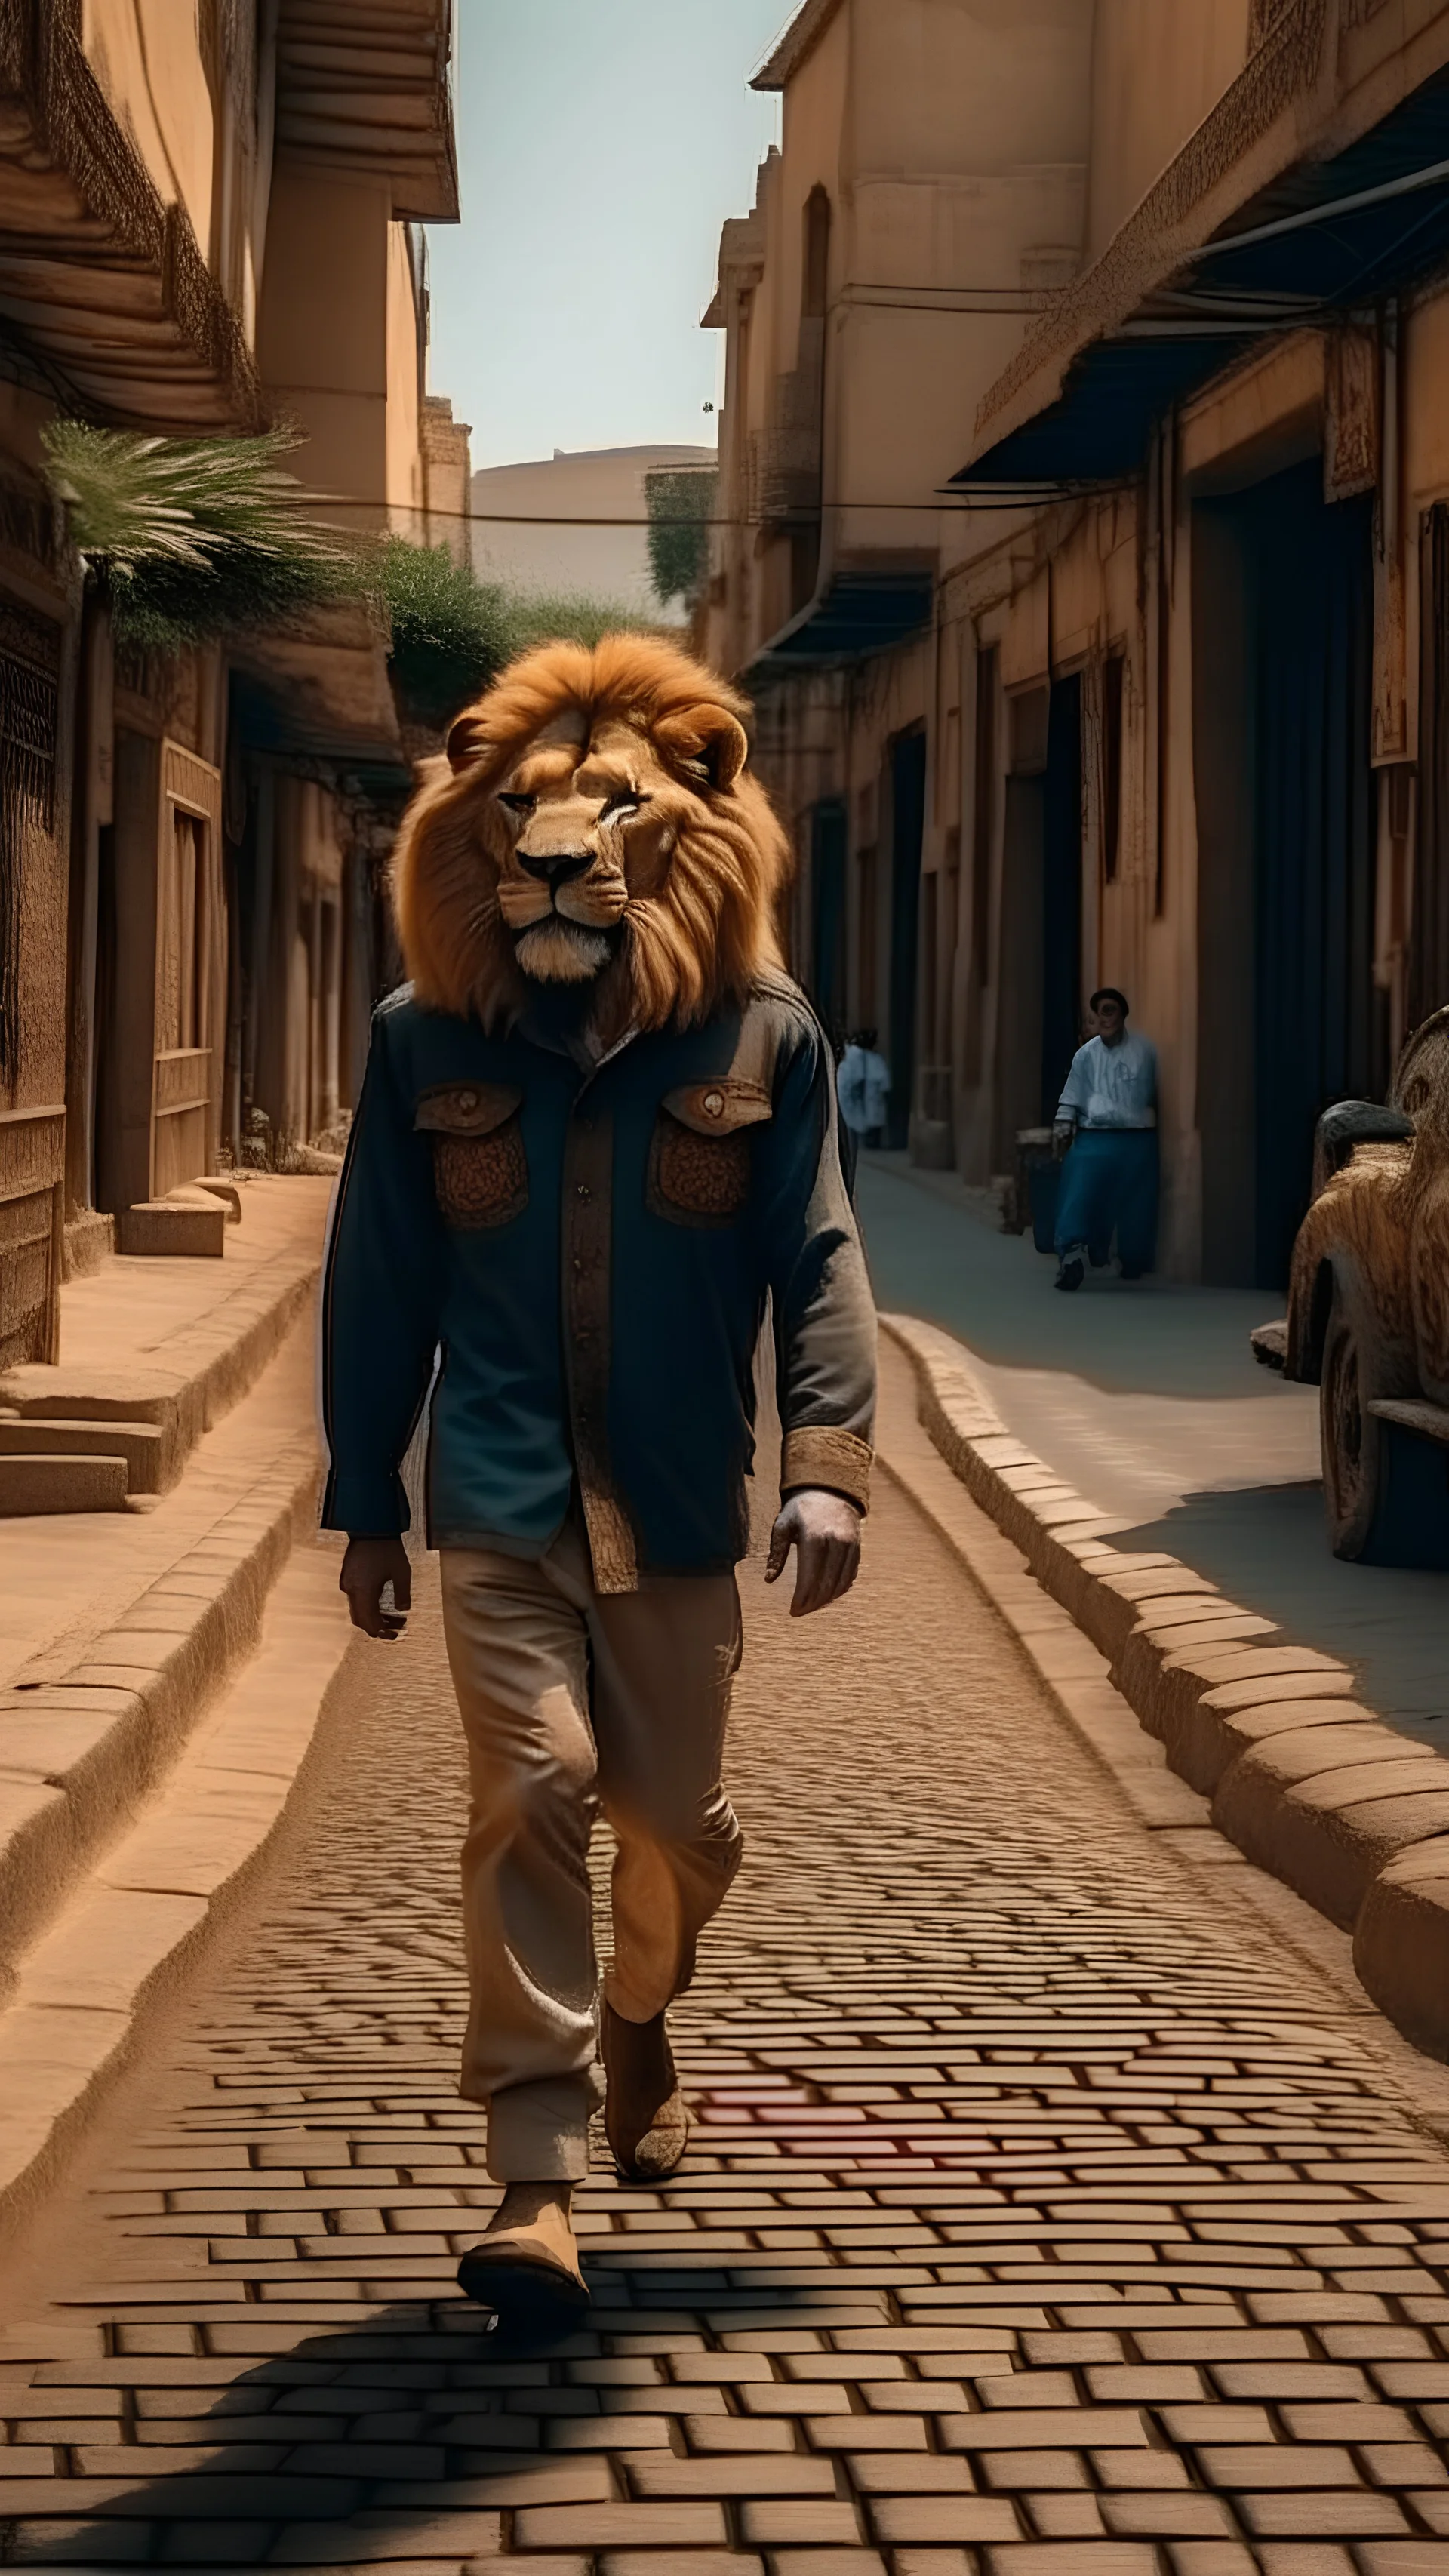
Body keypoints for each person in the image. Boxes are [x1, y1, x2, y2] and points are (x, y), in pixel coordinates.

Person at [323, 635, 877, 2347]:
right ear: (474, 829)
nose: (560, 841)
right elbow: (377, 1275)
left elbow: (820, 1253)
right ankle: (534, 2180)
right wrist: (362, 1494)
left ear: (696, 813)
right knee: (535, 1788)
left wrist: (829, 1466)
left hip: (677, 1506)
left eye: (609, 807)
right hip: (494, 1495)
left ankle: (645, 2002)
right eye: (527, 809)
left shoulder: (763, 1032)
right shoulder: (421, 1041)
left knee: (673, 1823)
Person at [1051, 986, 1159, 1291]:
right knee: (1080, 1193)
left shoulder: (1144, 1051)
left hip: (1137, 1138)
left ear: (1123, 1013)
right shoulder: (1086, 1055)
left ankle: (1132, 1258)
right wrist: (1063, 1125)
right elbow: (1071, 1094)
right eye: (1101, 1012)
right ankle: (1071, 1254)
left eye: (1111, 1010)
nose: (1106, 1018)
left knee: (1135, 1203)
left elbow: (1154, 1093)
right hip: (1095, 1138)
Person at [838, 1028, 891, 1151]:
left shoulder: (859, 1056)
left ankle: (870, 1142)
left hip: (864, 1099)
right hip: (860, 1099)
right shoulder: (858, 1056)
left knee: (866, 1120)